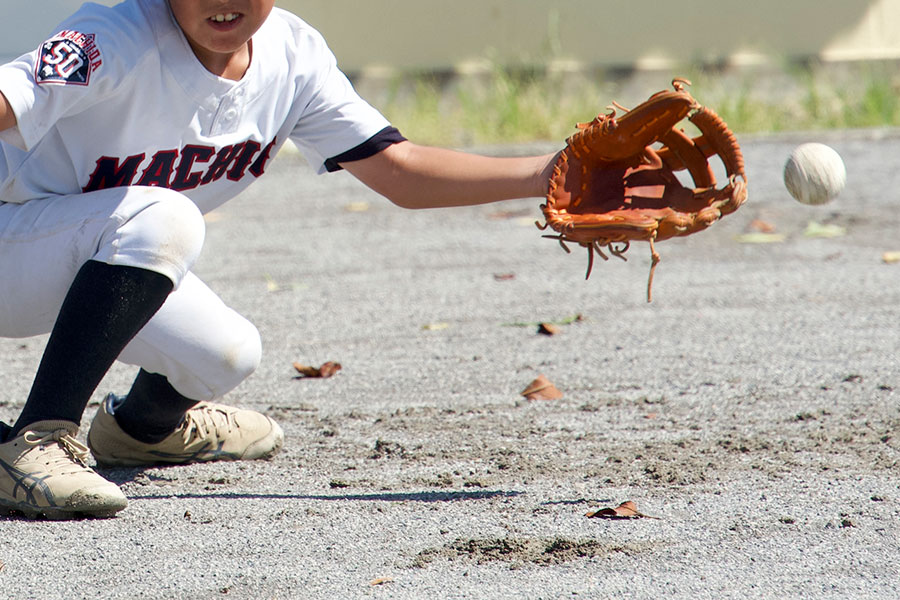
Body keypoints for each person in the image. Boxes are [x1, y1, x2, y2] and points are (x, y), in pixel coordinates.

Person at [0, 0, 559, 519]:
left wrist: (549, 175)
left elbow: (401, 171)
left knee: (226, 355)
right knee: (164, 218)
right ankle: (34, 444)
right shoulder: (115, 35)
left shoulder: (293, 56)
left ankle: (139, 430)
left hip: (76, 257)